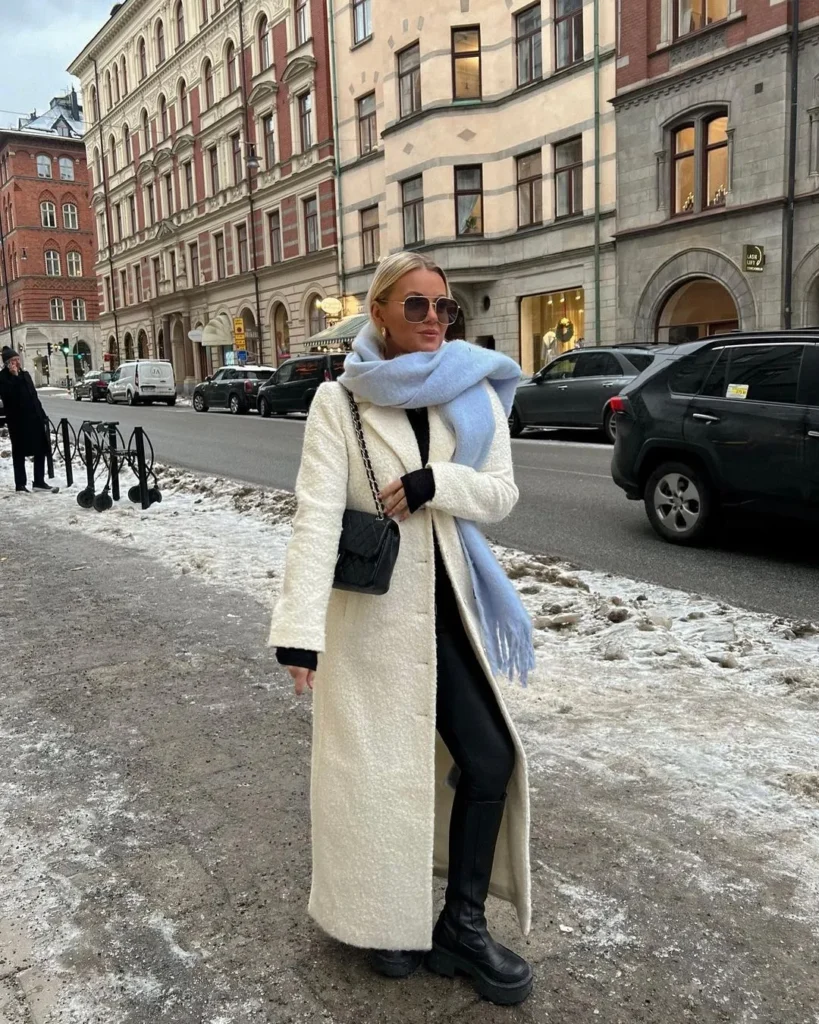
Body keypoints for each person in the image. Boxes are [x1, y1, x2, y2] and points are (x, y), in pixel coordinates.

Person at [269, 252, 536, 1006]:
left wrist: (433, 484)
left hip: (451, 609)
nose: (432, 319)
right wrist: (299, 630)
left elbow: (502, 494)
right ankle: (380, 917)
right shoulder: (340, 401)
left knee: (489, 759)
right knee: (379, 776)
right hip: (372, 620)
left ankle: (462, 926)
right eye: (414, 305)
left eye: (442, 307)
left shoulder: (472, 391)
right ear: (380, 312)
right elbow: (317, 517)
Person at [0, 346, 53, 494]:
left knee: (40, 449)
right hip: (18, 421)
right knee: (19, 452)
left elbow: (33, 396)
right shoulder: (3, 378)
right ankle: (20, 484)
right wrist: (14, 376)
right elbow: (10, 396)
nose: (17, 362)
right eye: (14, 360)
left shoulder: (26, 375)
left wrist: (42, 415)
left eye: (18, 359)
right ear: (7, 363)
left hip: (34, 418)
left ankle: (39, 481)